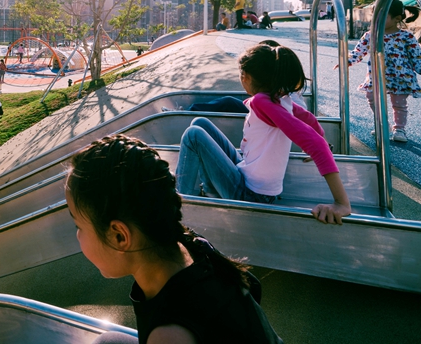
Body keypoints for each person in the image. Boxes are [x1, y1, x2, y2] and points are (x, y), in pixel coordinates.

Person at [65, 136, 283, 344]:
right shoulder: (192, 245)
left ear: (120, 236)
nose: (77, 236)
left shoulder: (170, 336)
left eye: (79, 227)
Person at [176, 44, 351, 224]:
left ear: (246, 76)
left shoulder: (262, 102)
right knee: (200, 123)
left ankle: (178, 207)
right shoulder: (280, 99)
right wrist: (323, 141)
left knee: (193, 135)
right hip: (248, 176)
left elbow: (316, 142)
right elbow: (310, 119)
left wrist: (341, 203)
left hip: (251, 194)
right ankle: (209, 191)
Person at [344, 0, 421, 143]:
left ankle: (399, 128)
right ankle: (383, 124)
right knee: (371, 97)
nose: (376, 20)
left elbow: (416, 55)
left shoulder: (406, 36)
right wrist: (347, 61)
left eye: (381, 16)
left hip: (400, 76)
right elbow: (358, 51)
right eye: (374, 16)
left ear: (397, 18)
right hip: (377, 74)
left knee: (398, 104)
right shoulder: (371, 35)